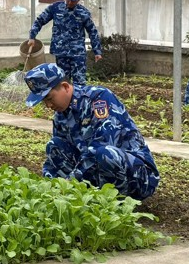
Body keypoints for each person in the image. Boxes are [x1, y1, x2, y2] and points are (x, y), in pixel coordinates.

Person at [24, 63, 159, 200]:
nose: (48, 105)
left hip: (138, 177)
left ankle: (114, 204)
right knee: (54, 145)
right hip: (97, 172)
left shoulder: (99, 99)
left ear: (65, 87)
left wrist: (70, 181)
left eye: (49, 98)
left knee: (104, 153)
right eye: (44, 101)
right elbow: (57, 158)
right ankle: (83, 199)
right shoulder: (60, 115)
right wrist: (47, 188)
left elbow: (100, 147)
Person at [26, 0, 102, 85]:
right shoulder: (55, 8)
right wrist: (32, 36)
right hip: (61, 52)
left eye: (73, 1)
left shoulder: (83, 13)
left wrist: (97, 51)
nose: (70, 2)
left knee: (79, 82)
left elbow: (92, 32)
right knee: (63, 82)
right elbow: (39, 21)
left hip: (77, 53)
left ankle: (78, 95)